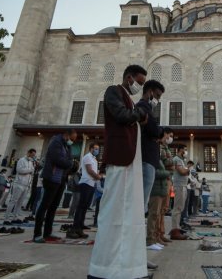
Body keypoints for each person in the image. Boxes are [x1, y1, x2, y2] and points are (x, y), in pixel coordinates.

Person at [88, 64, 151, 279]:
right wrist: (140, 111)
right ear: (129, 77)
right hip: (120, 158)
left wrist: (138, 112)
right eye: (139, 83)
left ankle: (126, 266)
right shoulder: (113, 91)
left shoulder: (129, 98)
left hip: (131, 160)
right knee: (114, 208)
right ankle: (105, 267)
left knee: (129, 211)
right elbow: (123, 116)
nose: (139, 87)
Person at [33, 129, 76, 242]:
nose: (72, 142)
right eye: (71, 139)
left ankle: (48, 233)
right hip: (52, 177)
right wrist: (69, 163)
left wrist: (69, 163)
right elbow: (58, 160)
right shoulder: (55, 142)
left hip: (61, 178)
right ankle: (37, 234)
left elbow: (70, 159)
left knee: (53, 207)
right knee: (45, 205)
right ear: (66, 135)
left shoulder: (67, 146)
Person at [136, 80, 165, 214]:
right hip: (146, 158)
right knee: (140, 200)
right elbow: (153, 130)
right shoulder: (143, 106)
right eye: (157, 96)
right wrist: (159, 132)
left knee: (143, 200)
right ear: (150, 92)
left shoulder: (148, 109)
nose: (158, 100)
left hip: (148, 159)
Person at [69, 142, 101, 239]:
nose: (97, 151)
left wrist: (97, 178)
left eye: (98, 149)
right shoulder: (87, 157)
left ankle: (80, 227)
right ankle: (75, 228)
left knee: (85, 207)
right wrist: (99, 177)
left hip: (91, 184)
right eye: (95, 148)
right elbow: (89, 170)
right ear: (91, 148)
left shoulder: (94, 159)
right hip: (86, 183)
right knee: (81, 206)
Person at [4, 148, 36, 224]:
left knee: (20, 202)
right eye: (32, 155)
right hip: (19, 183)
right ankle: (7, 218)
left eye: (34, 155)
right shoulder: (21, 160)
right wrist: (30, 170)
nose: (32, 157)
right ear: (28, 152)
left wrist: (31, 170)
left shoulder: (31, 162)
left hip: (26, 184)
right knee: (13, 201)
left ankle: (15, 217)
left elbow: (32, 171)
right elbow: (20, 170)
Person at [169, 146, 190, 240]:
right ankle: (175, 230)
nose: (186, 151)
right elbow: (182, 172)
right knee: (177, 208)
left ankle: (177, 227)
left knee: (180, 208)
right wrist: (188, 168)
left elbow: (186, 172)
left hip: (183, 185)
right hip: (179, 186)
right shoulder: (176, 159)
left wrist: (186, 170)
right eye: (184, 149)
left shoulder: (182, 160)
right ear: (180, 150)